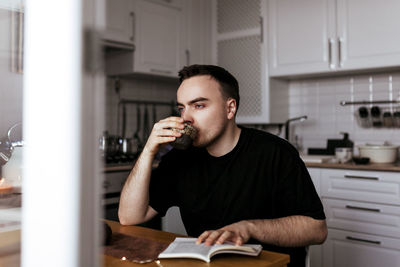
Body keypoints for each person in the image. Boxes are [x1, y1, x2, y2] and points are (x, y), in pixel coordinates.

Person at [119, 64, 327, 267]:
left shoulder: (275, 152)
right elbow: (129, 217)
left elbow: (316, 230)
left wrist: (248, 228)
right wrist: (148, 150)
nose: (186, 118)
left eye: (199, 105)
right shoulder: (179, 159)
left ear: (230, 108)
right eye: (182, 108)